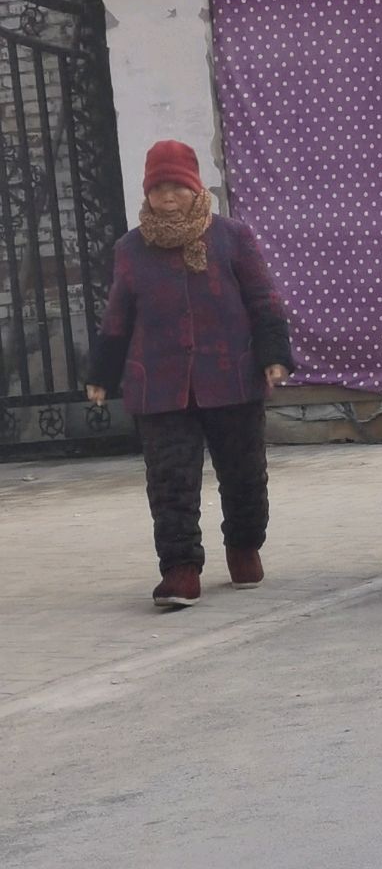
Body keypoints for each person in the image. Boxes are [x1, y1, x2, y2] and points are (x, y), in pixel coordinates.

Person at [86, 140, 294, 609]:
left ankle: (244, 546)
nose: (168, 198)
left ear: (194, 186)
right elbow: (117, 317)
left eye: (176, 187)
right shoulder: (130, 249)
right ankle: (180, 571)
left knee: (244, 475)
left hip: (231, 376)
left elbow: (264, 300)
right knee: (169, 481)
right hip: (159, 385)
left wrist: (273, 355)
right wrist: (102, 373)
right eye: (158, 189)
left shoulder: (231, 236)